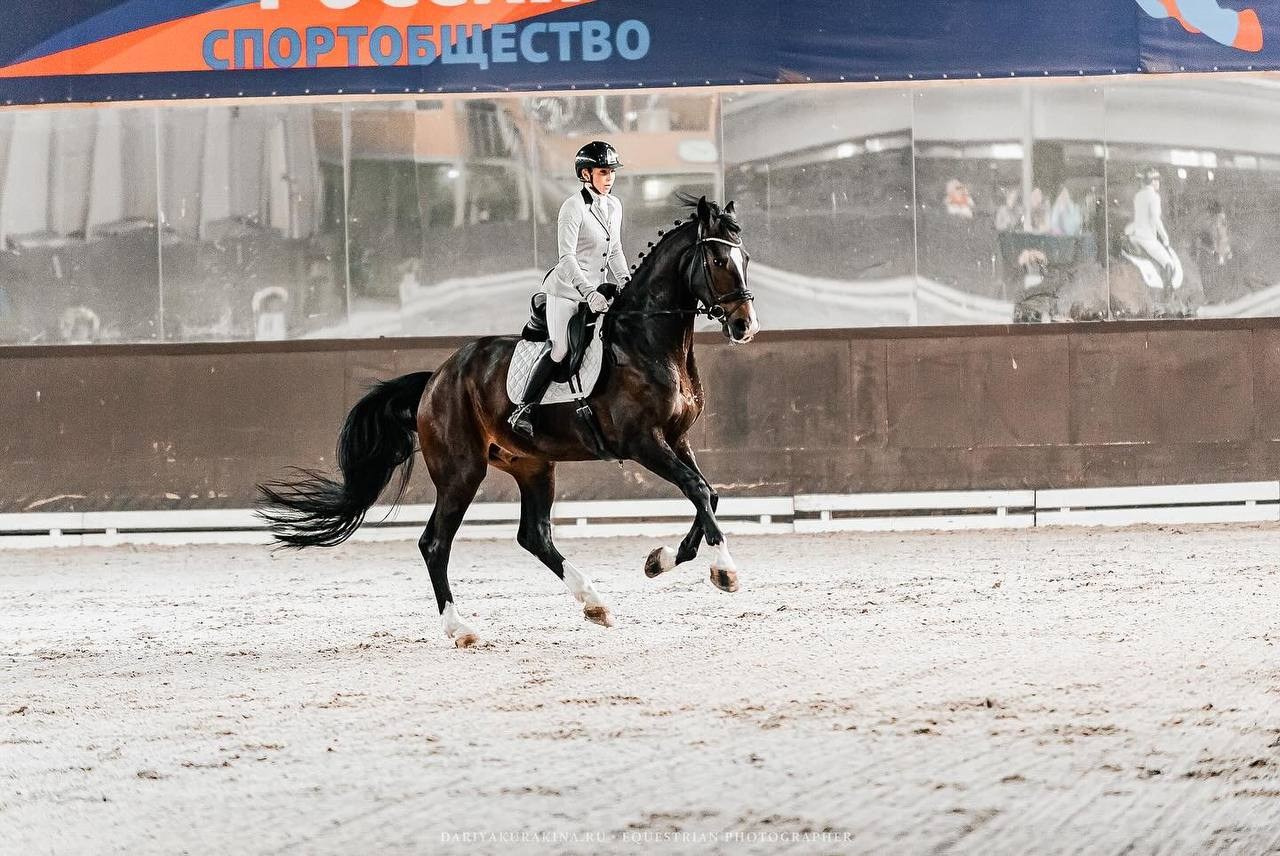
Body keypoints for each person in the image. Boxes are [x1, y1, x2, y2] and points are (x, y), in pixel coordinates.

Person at [508, 140, 630, 438]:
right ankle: (524, 408)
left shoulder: (614, 205)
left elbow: (614, 251)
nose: (610, 177)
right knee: (561, 347)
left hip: (599, 292)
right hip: (566, 291)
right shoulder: (572, 207)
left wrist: (627, 281)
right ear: (586, 174)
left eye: (612, 171)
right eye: (603, 172)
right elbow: (567, 258)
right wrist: (588, 292)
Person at [1127, 166, 1183, 290]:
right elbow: (1155, 219)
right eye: (1156, 180)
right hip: (1147, 239)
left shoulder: (1138, 196)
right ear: (1152, 182)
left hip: (1135, 236)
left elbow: (1138, 218)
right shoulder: (1154, 196)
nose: (1158, 183)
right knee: (1168, 263)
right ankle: (1167, 292)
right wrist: (1165, 237)